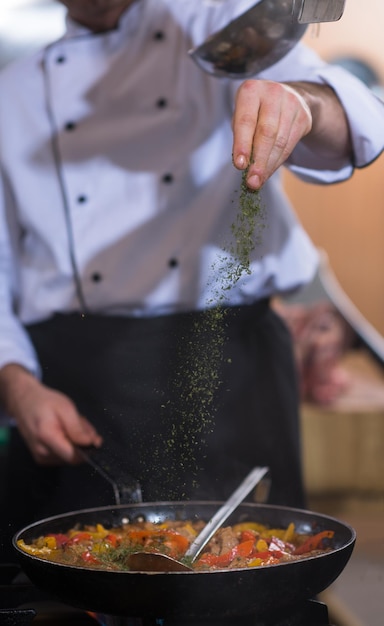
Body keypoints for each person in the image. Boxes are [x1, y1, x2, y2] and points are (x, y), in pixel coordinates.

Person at [0, 0, 383, 562]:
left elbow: (351, 120)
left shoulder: (209, 25)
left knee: (256, 577)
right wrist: (16, 386)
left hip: (230, 376)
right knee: (77, 578)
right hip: (73, 391)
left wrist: (303, 103)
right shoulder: (11, 97)